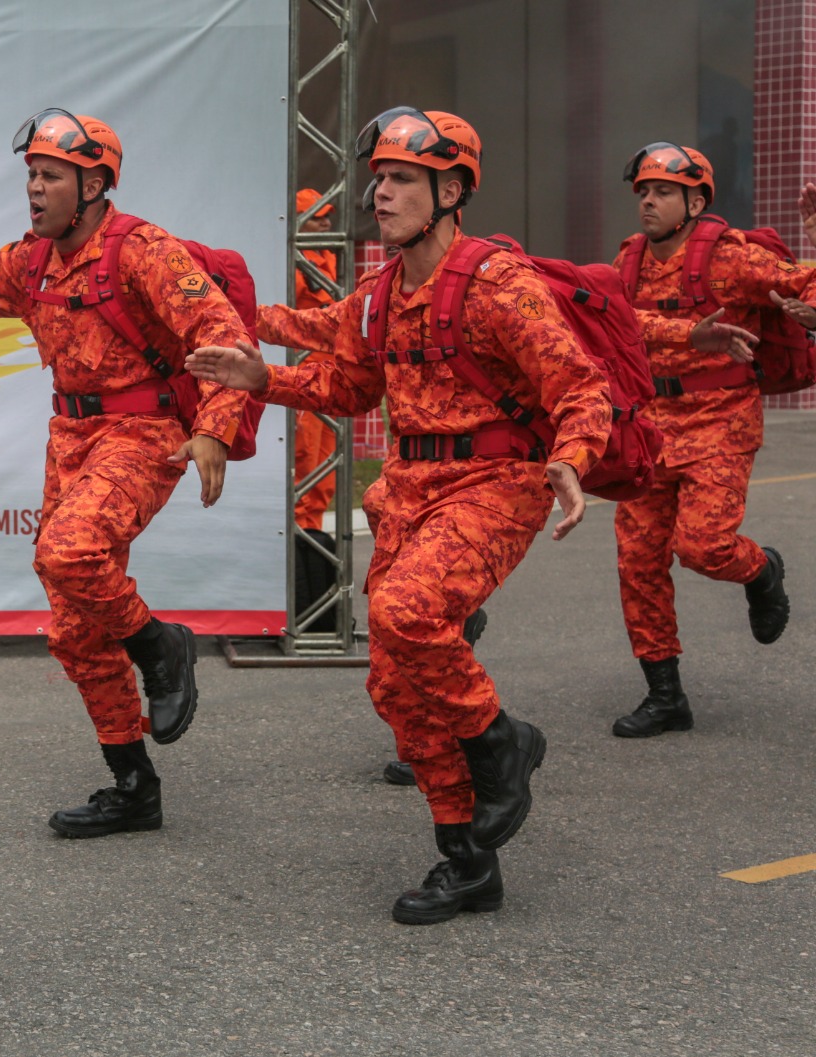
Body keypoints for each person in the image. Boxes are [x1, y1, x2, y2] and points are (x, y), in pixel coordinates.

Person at [188, 107, 612, 924]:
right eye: (379, 179)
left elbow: (580, 385)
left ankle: (501, 742)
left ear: (452, 189)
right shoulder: (381, 295)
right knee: (394, 684)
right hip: (411, 491)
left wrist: (573, 455)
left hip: (493, 481)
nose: (380, 193)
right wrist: (258, 377)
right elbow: (346, 388)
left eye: (402, 179)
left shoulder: (497, 282)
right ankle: (466, 859)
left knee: (407, 611)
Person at [0, 108, 253, 838]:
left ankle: (160, 646)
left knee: (68, 551)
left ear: (96, 184)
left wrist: (214, 430)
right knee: (75, 631)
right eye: (32, 176)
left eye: (51, 177)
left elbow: (222, 336)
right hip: (71, 437)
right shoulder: (30, 262)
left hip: (145, 431)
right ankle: (134, 785)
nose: (35, 190)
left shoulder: (143, 250)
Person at [608, 143, 814, 739]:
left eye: (664, 191)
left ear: (696, 201)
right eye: (643, 191)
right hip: (649, 424)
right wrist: (682, 332)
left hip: (720, 420)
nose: (648, 201)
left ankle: (761, 572)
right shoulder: (628, 261)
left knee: (702, 546)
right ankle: (665, 696)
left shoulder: (731, 260)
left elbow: (802, 282)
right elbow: (613, 322)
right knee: (638, 562)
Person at [290, 188, 342, 533]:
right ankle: (297, 537)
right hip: (302, 373)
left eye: (326, 218)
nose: (324, 225)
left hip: (331, 371)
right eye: (316, 219)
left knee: (326, 465)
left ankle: (314, 537)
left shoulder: (329, 255)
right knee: (304, 458)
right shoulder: (291, 263)